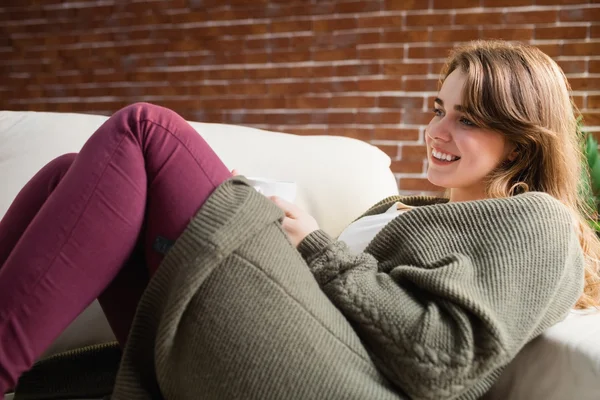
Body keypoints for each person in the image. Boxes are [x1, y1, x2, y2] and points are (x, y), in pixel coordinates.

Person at [1, 39, 598, 399]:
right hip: (301, 345)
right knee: (68, 171)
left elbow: (443, 361)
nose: (436, 133)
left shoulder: (537, 220)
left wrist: (311, 242)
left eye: (466, 120)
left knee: (146, 130)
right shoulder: (405, 210)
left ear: (519, 144)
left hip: (344, 385)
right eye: (439, 110)